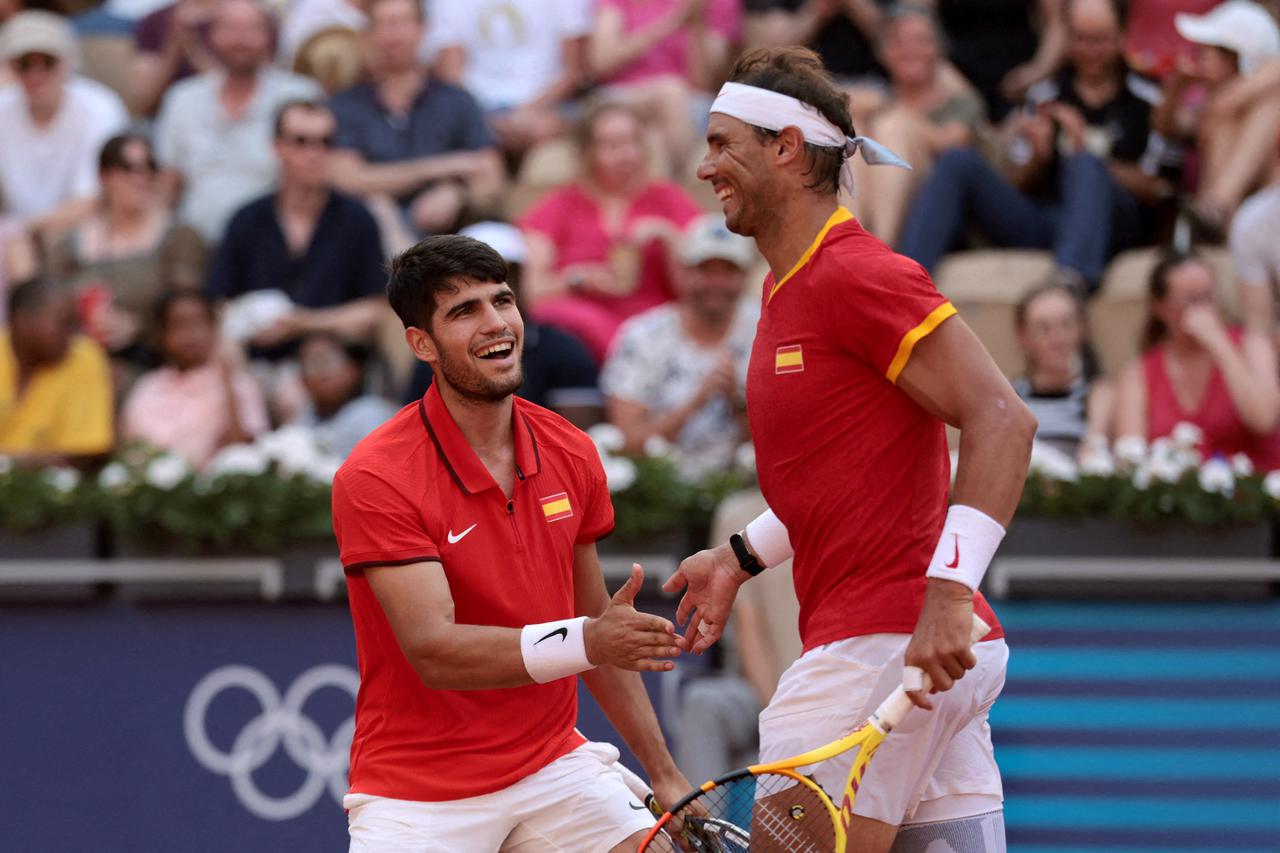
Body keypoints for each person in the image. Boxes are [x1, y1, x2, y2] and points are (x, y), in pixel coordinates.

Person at [666, 46, 1037, 851]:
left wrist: (945, 595)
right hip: (915, 651)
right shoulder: (782, 285)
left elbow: (1003, 417)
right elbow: (844, 472)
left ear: (787, 150)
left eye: (725, 144)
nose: (706, 167)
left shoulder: (857, 273)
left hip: (887, 647)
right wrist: (738, 555)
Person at [330, 234, 691, 851]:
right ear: (422, 344)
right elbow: (434, 650)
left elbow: (594, 620)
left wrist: (664, 771)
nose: (496, 324)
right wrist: (590, 638)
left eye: (503, 301)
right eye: (464, 311)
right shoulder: (375, 476)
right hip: (417, 794)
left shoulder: (571, 450)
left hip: (551, 765)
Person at [897, 0, 1171, 293]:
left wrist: (1089, 156)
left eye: (1100, 40)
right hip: (1049, 222)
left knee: (1084, 166)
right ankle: (902, 285)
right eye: (1081, 38)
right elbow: (1013, 184)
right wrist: (1036, 161)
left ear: (1121, 35)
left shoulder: (1150, 97)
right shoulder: (1044, 94)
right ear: (1066, 36)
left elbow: (1162, 187)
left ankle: (1069, 289)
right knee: (956, 161)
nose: (1090, 50)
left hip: (1113, 224)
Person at [520, 100, 702, 363]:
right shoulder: (559, 205)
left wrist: (668, 236)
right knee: (552, 319)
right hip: (582, 326)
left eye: (632, 142)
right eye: (612, 145)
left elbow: (699, 287)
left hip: (655, 323)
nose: (626, 154)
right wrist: (580, 280)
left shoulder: (669, 200)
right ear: (587, 152)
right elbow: (531, 291)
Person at [208, 100, 387, 360]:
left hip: (333, 366)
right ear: (277, 147)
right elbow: (218, 300)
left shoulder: (357, 220)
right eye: (301, 142)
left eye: (325, 142)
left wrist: (304, 323)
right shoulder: (246, 220)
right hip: (253, 361)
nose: (314, 154)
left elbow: (376, 308)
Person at [600, 212, 759, 480]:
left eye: (728, 271)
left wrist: (736, 399)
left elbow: (783, 442)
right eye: (706, 270)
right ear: (684, 272)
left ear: (745, 276)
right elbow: (628, 442)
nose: (716, 282)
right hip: (660, 490)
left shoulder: (767, 331)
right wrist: (697, 400)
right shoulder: (642, 336)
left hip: (742, 485)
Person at [328, 0, 505, 238]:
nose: (393, 34)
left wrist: (456, 192)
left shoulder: (456, 100)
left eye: (402, 22)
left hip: (450, 236)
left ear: (422, 28)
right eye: (383, 24)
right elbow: (345, 178)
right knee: (378, 209)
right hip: (371, 238)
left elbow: (491, 175)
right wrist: (442, 166)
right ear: (368, 34)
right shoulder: (346, 105)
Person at [404, 221, 603, 428]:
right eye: (472, 279)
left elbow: (577, 439)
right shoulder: (436, 352)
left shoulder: (563, 348)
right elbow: (418, 429)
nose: (488, 287)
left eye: (503, 275)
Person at [153, 0, 323, 244]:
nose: (239, 40)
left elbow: (315, 175)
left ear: (269, 36)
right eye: (229, 29)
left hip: (272, 240)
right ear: (212, 36)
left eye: (251, 29)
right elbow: (167, 184)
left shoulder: (299, 95)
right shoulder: (182, 99)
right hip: (195, 244)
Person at [47, 133, 207, 371]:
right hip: (80, 361)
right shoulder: (73, 243)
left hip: (155, 363)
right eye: (127, 168)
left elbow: (191, 313)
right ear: (105, 176)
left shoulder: (178, 237)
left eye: (148, 168)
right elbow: (47, 304)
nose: (139, 178)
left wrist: (138, 327)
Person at [1114, 250, 1280, 469]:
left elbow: (1264, 420)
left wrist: (1221, 345)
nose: (1204, 310)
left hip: (1255, 490)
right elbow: (1129, 457)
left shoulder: (1251, 344)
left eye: (1208, 297)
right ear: (1160, 307)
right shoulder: (1139, 372)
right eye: (1190, 301)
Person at [848, 3, 987, 247]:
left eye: (921, 41)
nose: (909, 50)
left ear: (938, 49)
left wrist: (893, 112)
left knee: (891, 128)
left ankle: (879, 247)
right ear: (881, 52)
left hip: (933, 212)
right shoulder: (874, 96)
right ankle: (853, 243)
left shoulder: (959, 101)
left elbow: (952, 143)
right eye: (898, 42)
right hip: (867, 202)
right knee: (852, 131)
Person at [0, 11, 129, 244]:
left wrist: (18, 229)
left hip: (81, 236)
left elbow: (93, 201)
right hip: (14, 242)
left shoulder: (100, 108)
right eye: (24, 65)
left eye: (47, 63)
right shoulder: (3, 107)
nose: (35, 75)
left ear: (67, 63)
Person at [1156, 1, 1280, 237]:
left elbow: (1275, 69)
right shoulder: (1207, 110)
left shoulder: (1271, 101)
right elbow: (1166, 128)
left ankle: (1217, 207)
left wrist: (1225, 101)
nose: (1196, 59)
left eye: (1204, 52)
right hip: (1225, 222)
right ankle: (1217, 213)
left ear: (1235, 58)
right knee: (1220, 121)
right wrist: (1175, 88)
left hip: (1264, 219)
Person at [121, 290, 269, 468]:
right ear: (161, 334)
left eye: (200, 323)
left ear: (215, 327)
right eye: (180, 325)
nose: (192, 334)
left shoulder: (239, 384)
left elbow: (244, 453)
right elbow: (133, 453)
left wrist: (227, 382)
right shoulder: (148, 388)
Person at [430, 0, 591, 161]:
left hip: (549, 108)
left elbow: (572, 71)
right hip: (477, 110)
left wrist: (528, 112)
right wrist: (480, 119)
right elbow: (451, 75)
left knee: (548, 135)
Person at [588, 0, 741, 165]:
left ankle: (671, 181)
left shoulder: (711, 4)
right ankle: (676, 181)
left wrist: (696, 24)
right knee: (670, 91)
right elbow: (602, 63)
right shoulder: (619, 4)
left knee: (672, 101)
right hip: (622, 94)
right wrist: (671, 23)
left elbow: (703, 85)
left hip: (685, 103)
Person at [0, 278, 113, 461]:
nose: (72, 334)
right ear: (22, 321)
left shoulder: (84, 357)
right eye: (63, 323)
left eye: (76, 324)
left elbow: (85, 455)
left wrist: (10, 464)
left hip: (52, 486)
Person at [1012, 279, 1113, 457]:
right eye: (1043, 329)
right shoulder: (1008, 398)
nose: (1058, 338)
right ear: (1022, 336)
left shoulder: (1100, 395)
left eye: (1067, 325)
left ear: (1083, 328)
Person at [292, 332, 397, 459]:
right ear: (302, 379)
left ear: (353, 369)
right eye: (313, 364)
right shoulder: (303, 417)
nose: (323, 373)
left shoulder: (370, 413)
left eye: (329, 361)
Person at [128, 0, 221, 116]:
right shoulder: (155, 20)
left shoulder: (239, 19)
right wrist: (172, 51)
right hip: (161, 120)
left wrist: (191, 48)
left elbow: (234, 87)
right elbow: (143, 104)